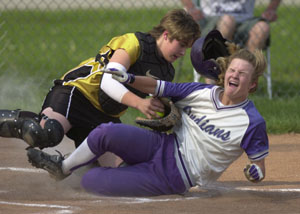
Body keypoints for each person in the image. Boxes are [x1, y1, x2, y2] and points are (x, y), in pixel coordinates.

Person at [26, 47, 269, 197]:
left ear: (253, 84)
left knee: (92, 180)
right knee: (106, 132)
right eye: (233, 70)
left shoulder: (251, 122)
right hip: (161, 145)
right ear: (225, 74)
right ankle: (61, 168)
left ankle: (125, 176)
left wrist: (254, 172)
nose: (235, 75)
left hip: (175, 175)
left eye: (242, 74)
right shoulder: (201, 92)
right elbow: (159, 86)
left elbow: (259, 167)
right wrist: (128, 77)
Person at [0, 9, 200, 166]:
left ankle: (63, 165)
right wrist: (139, 103)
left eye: (187, 47)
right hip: (78, 94)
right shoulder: (135, 43)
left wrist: (165, 113)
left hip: (105, 116)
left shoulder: (166, 72)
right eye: (181, 44)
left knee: (120, 172)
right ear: (166, 35)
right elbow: (108, 81)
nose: (183, 52)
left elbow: (163, 102)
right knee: (45, 134)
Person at [181, 0, 281, 83]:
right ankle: (216, 79)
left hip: (245, 21)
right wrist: (190, 7)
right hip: (212, 19)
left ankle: (244, 78)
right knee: (228, 21)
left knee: (262, 27)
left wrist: (271, 9)